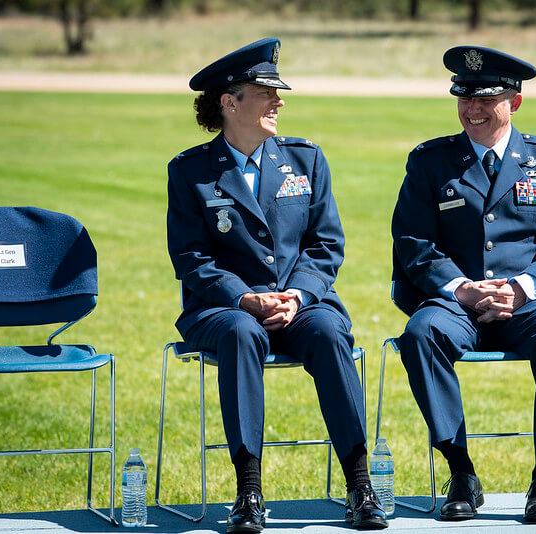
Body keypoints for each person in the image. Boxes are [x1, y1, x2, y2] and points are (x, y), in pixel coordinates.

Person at [166, 38, 388, 533]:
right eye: (266, 91)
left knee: (331, 334)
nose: (279, 101)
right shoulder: (190, 172)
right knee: (243, 334)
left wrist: (299, 295)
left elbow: (326, 245)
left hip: (302, 304)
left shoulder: (306, 160)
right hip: (223, 308)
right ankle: (248, 493)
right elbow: (191, 258)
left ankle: (360, 487)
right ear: (230, 101)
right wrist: (244, 298)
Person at [391, 45, 536, 524]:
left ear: (514, 103)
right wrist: (461, 288)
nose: (472, 110)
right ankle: (461, 473)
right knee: (422, 334)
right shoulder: (430, 161)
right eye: (464, 98)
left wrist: (520, 288)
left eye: (486, 100)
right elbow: (413, 243)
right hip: (456, 303)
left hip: (529, 304)